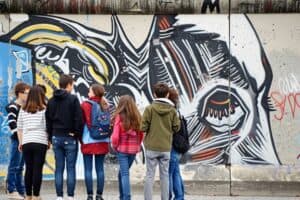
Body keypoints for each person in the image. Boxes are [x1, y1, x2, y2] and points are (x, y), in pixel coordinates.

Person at [46, 74, 83, 200]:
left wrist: (50, 137)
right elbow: (79, 119)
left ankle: (59, 196)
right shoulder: (73, 99)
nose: (72, 87)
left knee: (59, 168)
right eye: (72, 84)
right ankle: (70, 196)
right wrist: (77, 133)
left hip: (56, 137)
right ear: (68, 85)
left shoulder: (51, 101)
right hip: (70, 138)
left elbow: (48, 121)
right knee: (71, 168)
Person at [141, 83, 181, 200]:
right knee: (164, 176)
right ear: (167, 94)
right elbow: (176, 128)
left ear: (154, 94)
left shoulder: (150, 109)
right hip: (165, 148)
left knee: (149, 176)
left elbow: (142, 127)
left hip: (151, 147)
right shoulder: (172, 110)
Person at [17, 86, 49, 200]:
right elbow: (46, 127)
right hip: (40, 141)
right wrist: (48, 141)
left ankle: (28, 196)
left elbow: (19, 127)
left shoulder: (23, 109)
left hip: (27, 141)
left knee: (28, 169)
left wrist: (21, 142)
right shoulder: (44, 109)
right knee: (37, 169)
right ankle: (36, 195)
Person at [111, 95, 144, 200]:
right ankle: (122, 196)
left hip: (122, 150)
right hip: (133, 150)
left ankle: (126, 197)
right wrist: (138, 144)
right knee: (122, 173)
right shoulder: (137, 116)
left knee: (124, 173)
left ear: (120, 104)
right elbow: (141, 134)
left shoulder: (119, 117)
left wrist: (115, 146)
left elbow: (115, 136)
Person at [80, 84, 109, 200]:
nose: (88, 93)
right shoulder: (106, 105)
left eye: (89, 91)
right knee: (100, 168)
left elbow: (80, 123)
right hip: (102, 139)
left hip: (88, 140)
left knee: (88, 169)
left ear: (94, 93)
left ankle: (90, 195)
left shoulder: (85, 105)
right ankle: (99, 195)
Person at [6, 82, 30, 200]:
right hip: (17, 140)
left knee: (21, 167)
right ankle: (11, 190)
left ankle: (21, 190)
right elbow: (12, 124)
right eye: (26, 93)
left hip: (25, 140)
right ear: (19, 93)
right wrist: (20, 138)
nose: (28, 96)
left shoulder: (26, 108)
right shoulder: (13, 106)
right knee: (14, 165)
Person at [168, 88, 185, 200]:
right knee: (176, 173)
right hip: (177, 146)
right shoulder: (177, 110)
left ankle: (174, 197)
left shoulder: (170, 111)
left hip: (171, 146)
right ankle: (180, 196)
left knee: (169, 174)